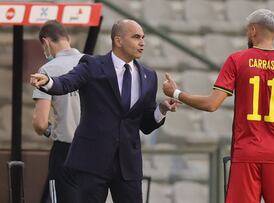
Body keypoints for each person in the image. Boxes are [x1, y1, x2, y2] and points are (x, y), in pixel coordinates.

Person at [163, 9, 274, 203]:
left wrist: (176, 93)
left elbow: (211, 104)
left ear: (253, 30)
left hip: (246, 152)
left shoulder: (237, 60)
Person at [30, 19, 177, 203]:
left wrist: (162, 109)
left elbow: (146, 125)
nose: (142, 42)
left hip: (128, 166)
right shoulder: (92, 64)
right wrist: (49, 82)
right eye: (136, 37)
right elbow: (68, 82)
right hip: (92, 162)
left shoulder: (149, 76)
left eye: (143, 37)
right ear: (118, 40)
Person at [32, 20, 82, 203]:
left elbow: (40, 122)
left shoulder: (47, 70)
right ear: (67, 38)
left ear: (46, 42)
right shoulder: (93, 63)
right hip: (94, 149)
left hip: (65, 150)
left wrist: (48, 130)